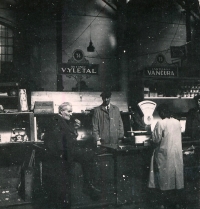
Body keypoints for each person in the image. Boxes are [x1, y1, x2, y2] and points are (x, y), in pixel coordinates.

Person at [43, 102, 100, 207]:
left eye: (71, 111)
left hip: (68, 151)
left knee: (89, 154)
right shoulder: (56, 120)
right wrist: (61, 154)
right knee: (89, 155)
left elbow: (70, 137)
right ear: (61, 111)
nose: (71, 113)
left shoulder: (63, 121)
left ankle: (88, 184)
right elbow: (56, 140)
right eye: (69, 111)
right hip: (63, 154)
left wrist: (74, 128)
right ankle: (88, 185)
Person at [148, 104, 184, 209]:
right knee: (174, 180)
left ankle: (163, 204)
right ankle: (176, 204)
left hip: (164, 156)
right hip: (176, 155)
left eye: (159, 113)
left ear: (163, 113)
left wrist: (151, 138)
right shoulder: (177, 122)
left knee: (164, 181)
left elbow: (156, 140)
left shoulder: (161, 123)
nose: (159, 115)